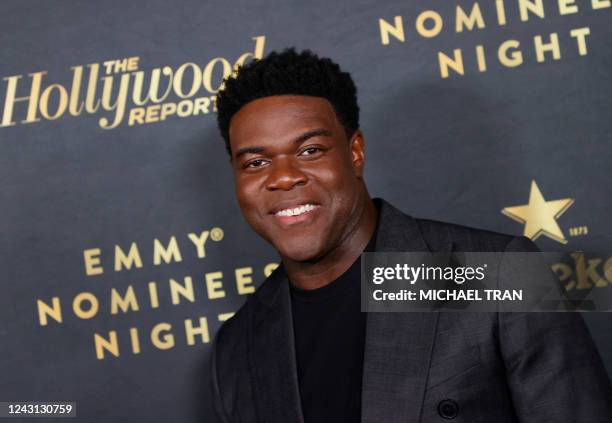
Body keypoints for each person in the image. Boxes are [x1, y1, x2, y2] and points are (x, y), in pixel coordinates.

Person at [210, 48, 612, 423]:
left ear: (355, 153)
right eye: (256, 162)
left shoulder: (497, 275)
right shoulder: (238, 345)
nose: (283, 178)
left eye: (310, 150)